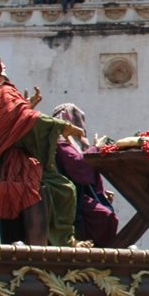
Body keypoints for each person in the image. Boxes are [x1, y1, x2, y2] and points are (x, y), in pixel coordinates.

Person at [0, 49, 84, 246]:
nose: (4, 67)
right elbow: (23, 121)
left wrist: (25, 109)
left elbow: (5, 125)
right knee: (63, 187)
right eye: (0, 63)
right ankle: (62, 241)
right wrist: (62, 126)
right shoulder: (3, 92)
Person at [49, 104, 119, 247]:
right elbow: (78, 166)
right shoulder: (58, 140)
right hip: (64, 196)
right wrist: (95, 148)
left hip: (79, 192)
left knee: (106, 214)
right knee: (104, 216)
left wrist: (88, 148)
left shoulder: (71, 142)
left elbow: (82, 164)